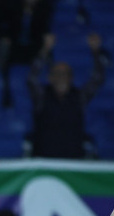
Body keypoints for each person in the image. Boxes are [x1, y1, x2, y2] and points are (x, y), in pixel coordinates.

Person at [28, 31, 105, 159]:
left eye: (66, 74)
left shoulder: (79, 97)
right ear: (50, 78)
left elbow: (98, 78)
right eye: (57, 74)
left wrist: (95, 51)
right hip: (44, 160)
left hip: (73, 161)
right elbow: (31, 79)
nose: (62, 77)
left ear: (71, 78)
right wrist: (45, 50)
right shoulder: (41, 96)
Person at [0, 0, 53, 66]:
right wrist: (5, 37)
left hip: (34, 47)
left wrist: (46, 44)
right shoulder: (12, 8)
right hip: (14, 46)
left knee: (46, 50)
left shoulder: (44, 12)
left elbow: (45, 31)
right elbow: (3, 27)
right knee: (2, 48)